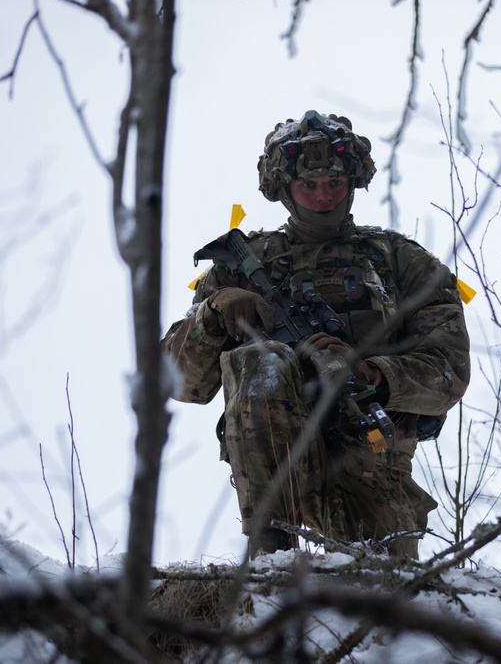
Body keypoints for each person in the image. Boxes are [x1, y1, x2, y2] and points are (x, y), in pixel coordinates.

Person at [162, 111, 470, 558]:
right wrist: (212, 315)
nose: (323, 196)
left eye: (335, 183)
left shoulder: (400, 261)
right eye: (309, 185)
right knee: (262, 361)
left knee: (381, 593)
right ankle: (270, 551)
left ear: (353, 182)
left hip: (371, 457)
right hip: (273, 454)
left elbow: (449, 370)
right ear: (285, 190)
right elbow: (178, 381)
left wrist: (370, 374)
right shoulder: (243, 265)